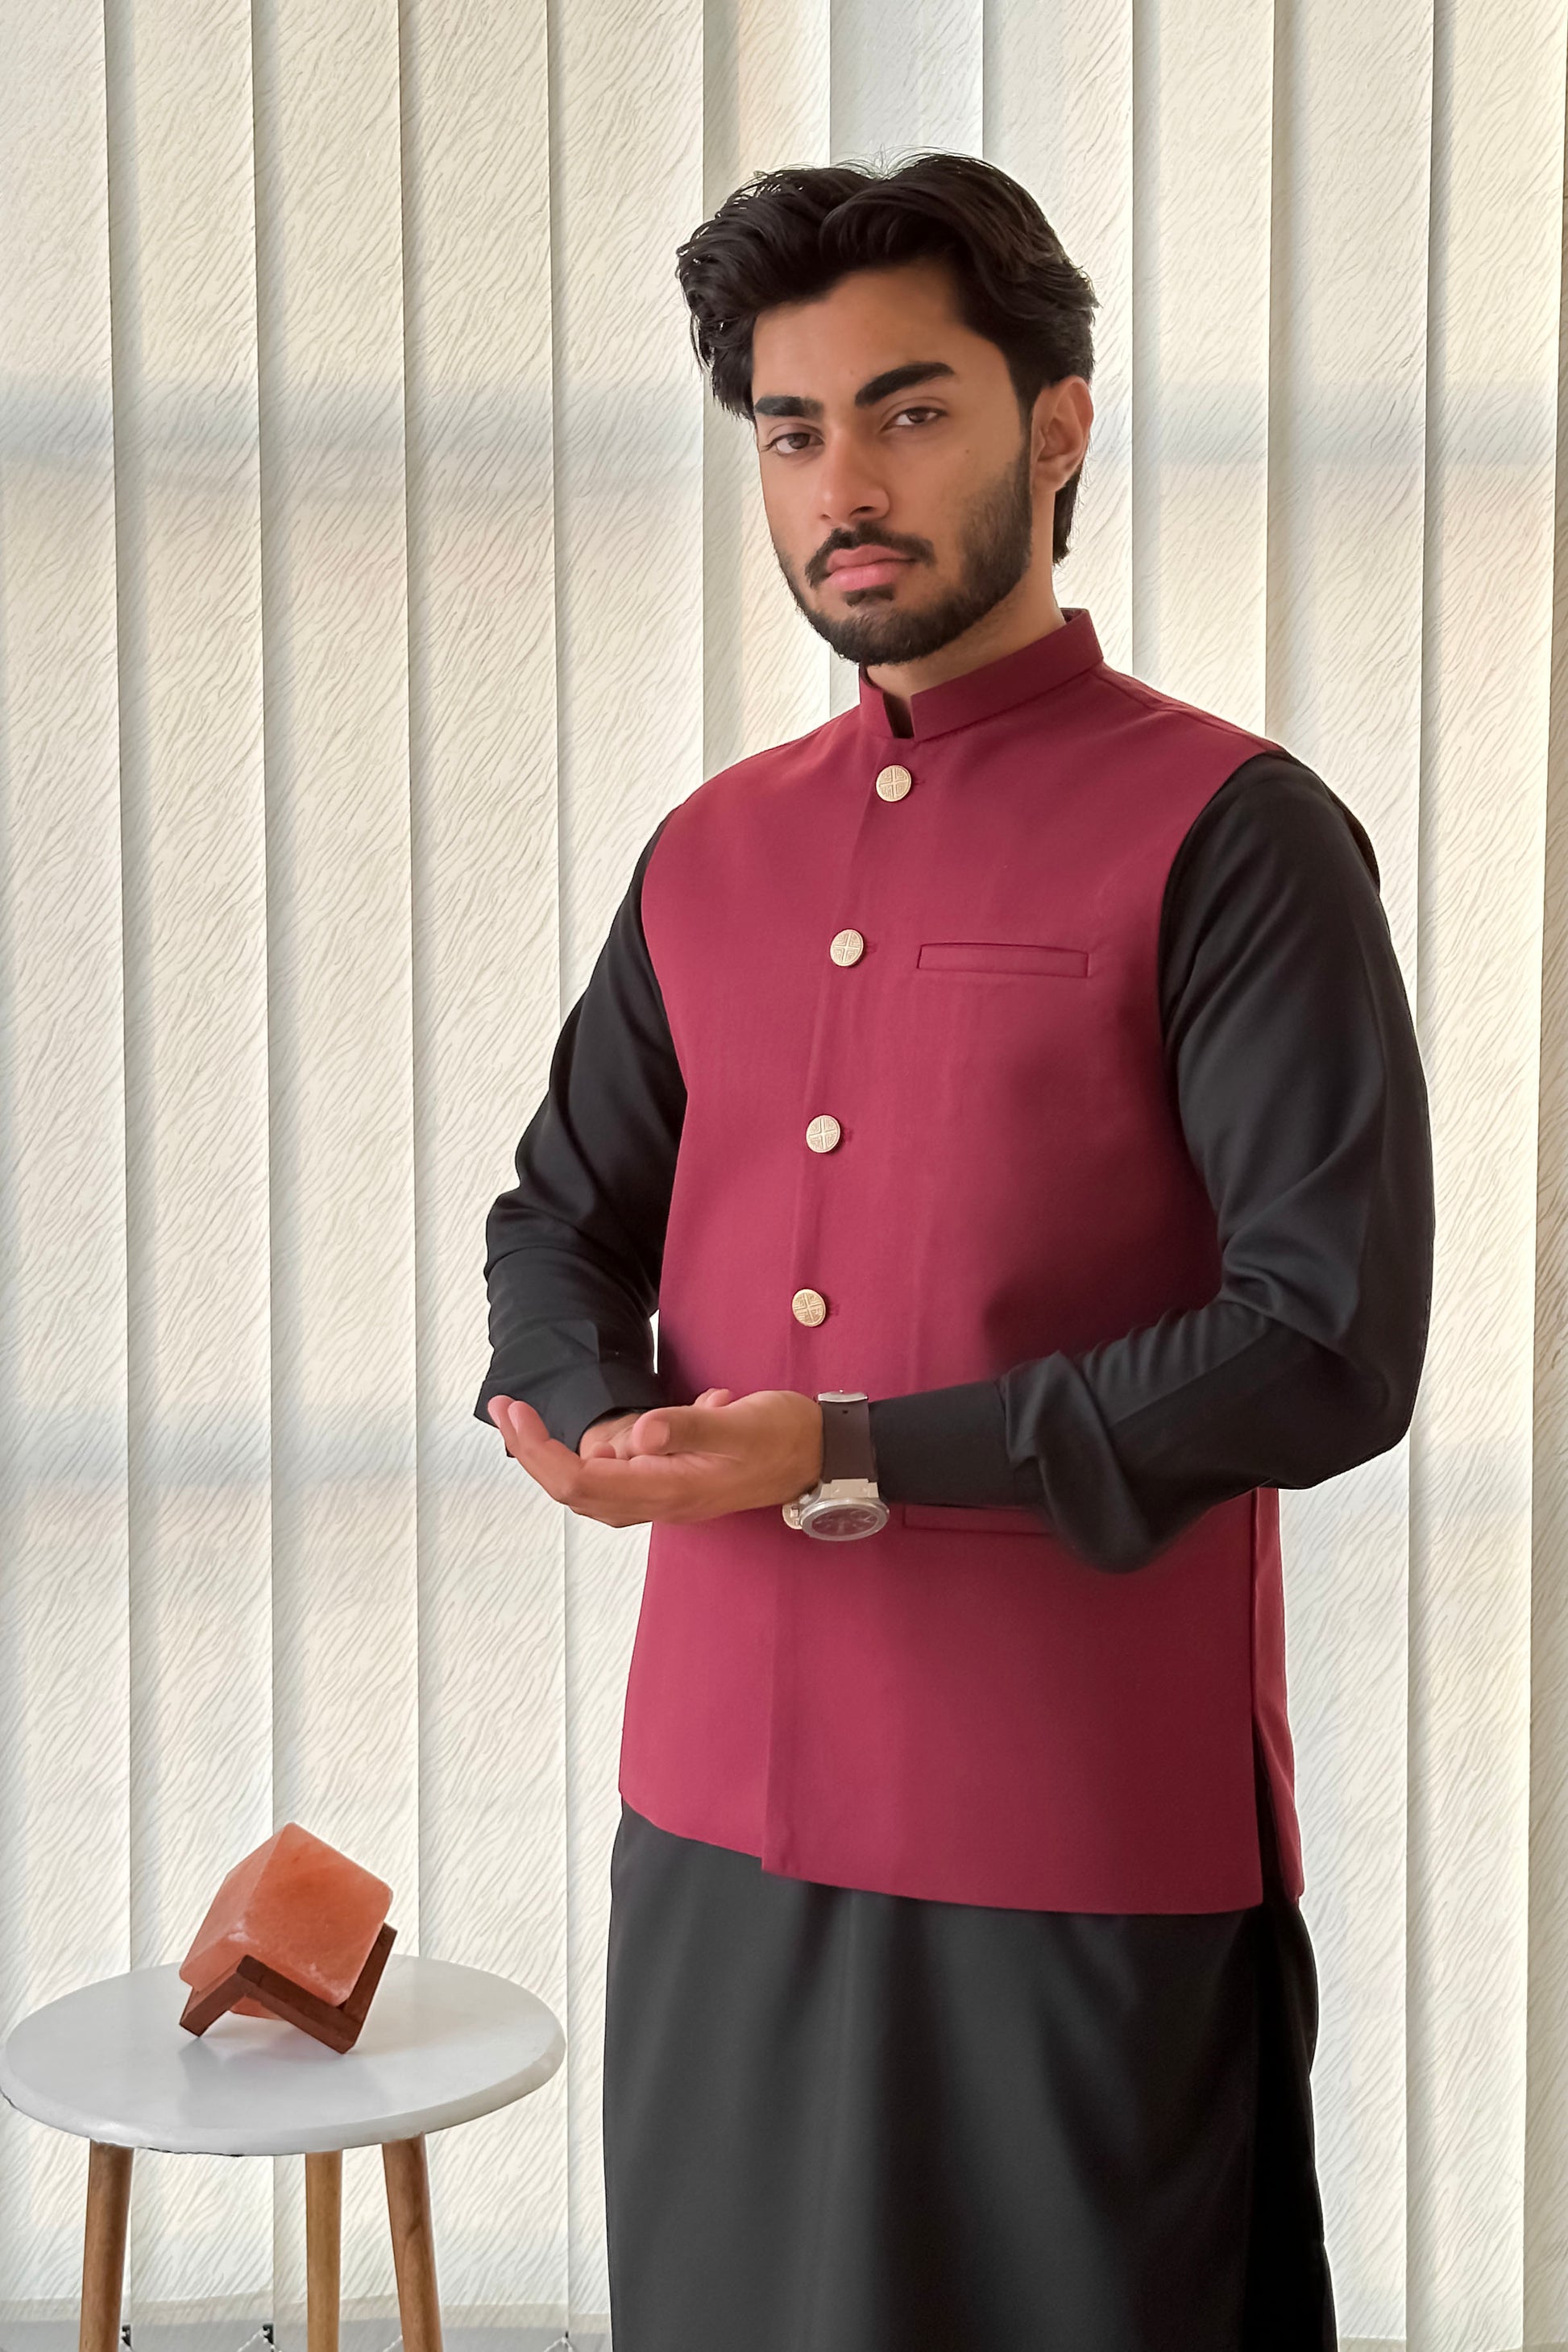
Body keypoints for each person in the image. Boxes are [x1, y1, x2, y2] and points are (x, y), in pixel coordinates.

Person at [475, 151, 1433, 2351]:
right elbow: (560, 1216)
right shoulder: (709, 852)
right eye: (791, 431)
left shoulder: (1235, 836)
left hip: (1075, 1832)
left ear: (1055, 427)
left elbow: (1325, 1342)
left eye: (908, 411)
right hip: (712, 1816)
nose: (843, 485)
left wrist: (849, 1446)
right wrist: (580, 1402)